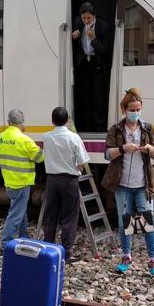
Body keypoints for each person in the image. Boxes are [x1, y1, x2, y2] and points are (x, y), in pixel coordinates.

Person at [101, 88, 154, 276]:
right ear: (124, 110)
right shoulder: (116, 129)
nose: (135, 113)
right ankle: (126, 256)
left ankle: (153, 260)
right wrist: (123, 148)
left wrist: (151, 150)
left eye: (138, 109)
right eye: (132, 109)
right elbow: (106, 154)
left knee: (148, 221)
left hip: (143, 184)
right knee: (124, 221)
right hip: (122, 185)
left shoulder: (148, 128)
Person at [42, 107, 90, 262]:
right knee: (69, 216)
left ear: (52, 120)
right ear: (68, 120)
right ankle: (67, 251)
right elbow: (82, 161)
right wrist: (78, 168)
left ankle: (48, 248)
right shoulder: (74, 137)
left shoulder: (46, 137)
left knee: (51, 215)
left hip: (52, 180)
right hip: (69, 181)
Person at [0, 109, 44, 252]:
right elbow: (40, 158)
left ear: (8, 122)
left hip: (9, 180)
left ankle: (23, 236)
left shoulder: (2, 137)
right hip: (22, 181)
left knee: (20, 210)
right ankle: (6, 242)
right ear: (22, 123)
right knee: (16, 214)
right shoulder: (24, 139)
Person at [71, 2, 111, 132]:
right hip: (84, 63)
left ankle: (99, 126)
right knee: (85, 95)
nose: (86, 21)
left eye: (88, 18)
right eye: (84, 18)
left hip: (97, 63)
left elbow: (105, 50)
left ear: (94, 16)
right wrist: (73, 36)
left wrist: (93, 39)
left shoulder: (103, 27)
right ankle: (87, 125)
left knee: (98, 96)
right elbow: (74, 43)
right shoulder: (78, 22)